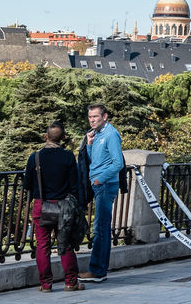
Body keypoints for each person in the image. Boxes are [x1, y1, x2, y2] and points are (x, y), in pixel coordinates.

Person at [23, 121, 83, 292]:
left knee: (42, 245)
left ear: (46, 137)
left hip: (41, 206)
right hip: (63, 206)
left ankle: (45, 284)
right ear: (63, 138)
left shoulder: (34, 157)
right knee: (65, 243)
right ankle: (71, 282)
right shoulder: (68, 157)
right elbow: (74, 185)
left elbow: (27, 184)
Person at [79, 103, 123, 283]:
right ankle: (99, 270)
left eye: (95, 117)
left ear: (105, 117)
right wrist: (89, 145)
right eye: (90, 117)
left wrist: (100, 179)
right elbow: (94, 160)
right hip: (98, 185)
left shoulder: (111, 134)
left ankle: (96, 270)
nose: (92, 120)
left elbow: (117, 163)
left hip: (105, 185)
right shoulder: (96, 135)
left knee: (100, 229)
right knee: (101, 228)